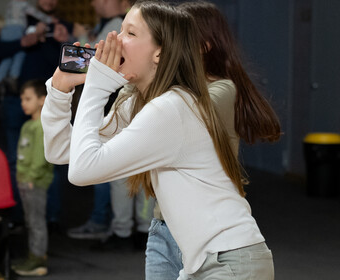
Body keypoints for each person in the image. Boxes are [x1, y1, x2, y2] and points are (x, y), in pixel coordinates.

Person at [42, 1, 275, 280]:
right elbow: (60, 151)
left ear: (159, 53)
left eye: (130, 33)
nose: (114, 38)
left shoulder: (173, 107)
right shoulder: (143, 104)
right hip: (202, 262)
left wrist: (97, 86)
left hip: (229, 260)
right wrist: (59, 92)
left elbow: (82, 171)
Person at [144, 1, 282, 279]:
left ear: (202, 47)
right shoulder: (171, 91)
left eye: (175, 40)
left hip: (210, 235)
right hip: (164, 229)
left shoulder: (223, 90)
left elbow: (180, 113)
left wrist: (143, 75)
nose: (165, 47)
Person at [0, 0, 72, 225]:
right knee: (17, 159)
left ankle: (50, 217)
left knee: (52, 160)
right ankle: (18, 214)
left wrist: (58, 41)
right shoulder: (17, 24)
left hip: (49, 104)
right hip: (16, 102)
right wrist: (23, 42)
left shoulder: (62, 27)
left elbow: (72, 65)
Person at [66, 0, 131, 241]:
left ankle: (107, 224)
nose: (94, 2)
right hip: (106, 105)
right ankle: (115, 224)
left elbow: (87, 65)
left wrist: (80, 42)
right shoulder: (109, 25)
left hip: (110, 106)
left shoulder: (116, 26)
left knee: (105, 168)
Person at [13, 79, 54, 276]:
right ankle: (32, 256)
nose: (23, 103)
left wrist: (31, 176)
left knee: (36, 221)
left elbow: (41, 156)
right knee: (30, 220)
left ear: (42, 100)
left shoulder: (42, 126)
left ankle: (38, 260)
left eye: (28, 98)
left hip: (34, 182)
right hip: (25, 181)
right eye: (22, 99)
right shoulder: (28, 125)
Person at [0, 0, 54, 96]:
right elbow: (36, 13)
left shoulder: (11, 4)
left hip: (7, 30)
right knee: (19, 54)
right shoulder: (24, 6)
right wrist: (49, 20)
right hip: (17, 29)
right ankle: (13, 76)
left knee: (8, 58)